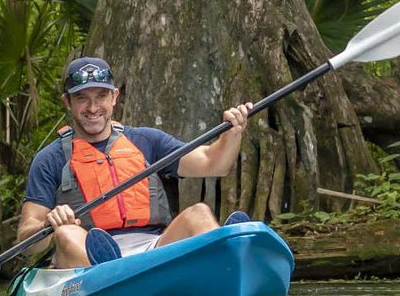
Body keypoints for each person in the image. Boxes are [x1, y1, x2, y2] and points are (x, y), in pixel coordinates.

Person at [18, 56, 253, 267]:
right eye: (82, 99)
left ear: (114, 97)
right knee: (66, 234)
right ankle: (111, 274)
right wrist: (47, 224)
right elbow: (27, 240)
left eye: (101, 96)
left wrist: (232, 134)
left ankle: (229, 258)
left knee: (199, 213)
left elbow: (214, 163)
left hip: (152, 249)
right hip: (90, 255)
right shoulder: (51, 158)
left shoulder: (146, 140)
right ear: (68, 102)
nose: (93, 108)